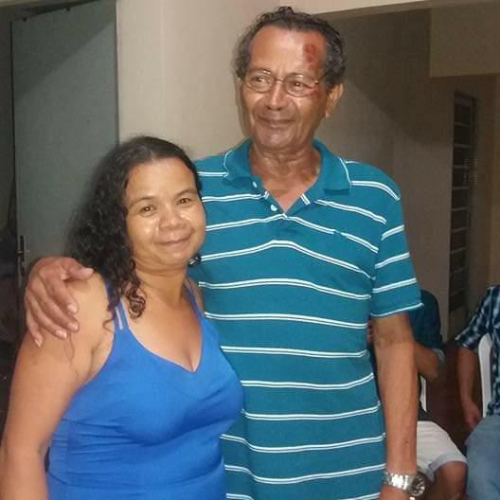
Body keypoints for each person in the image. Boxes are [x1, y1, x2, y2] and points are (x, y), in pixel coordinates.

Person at [23, 8, 422, 500]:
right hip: (229, 478)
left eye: (298, 83)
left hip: (349, 476)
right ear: (241, 85)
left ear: (332, 96)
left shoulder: (375, 198)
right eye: (260, 78)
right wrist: (47, 271)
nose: (274, 100)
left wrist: (399, 476)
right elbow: (120, 264)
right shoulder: (192, 194)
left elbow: (394, 342)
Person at [0, 137, 244, 500]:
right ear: (117, 223)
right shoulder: (83, 305)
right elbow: (21, 452)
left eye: (184, 200)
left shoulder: (192, 296)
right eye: (147, 209)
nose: (172, 221)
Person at [406, 290, 466, 500]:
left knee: (454, 471)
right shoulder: (342, 299)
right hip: (352, 416)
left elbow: (435, 373)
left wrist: (398, 335)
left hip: (409, 416)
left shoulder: (421, 302)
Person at [456, 285, 500, 500]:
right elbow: (468, 344)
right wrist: (466, 399)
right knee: (480, 472)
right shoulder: (496, 297)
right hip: (498, 418)